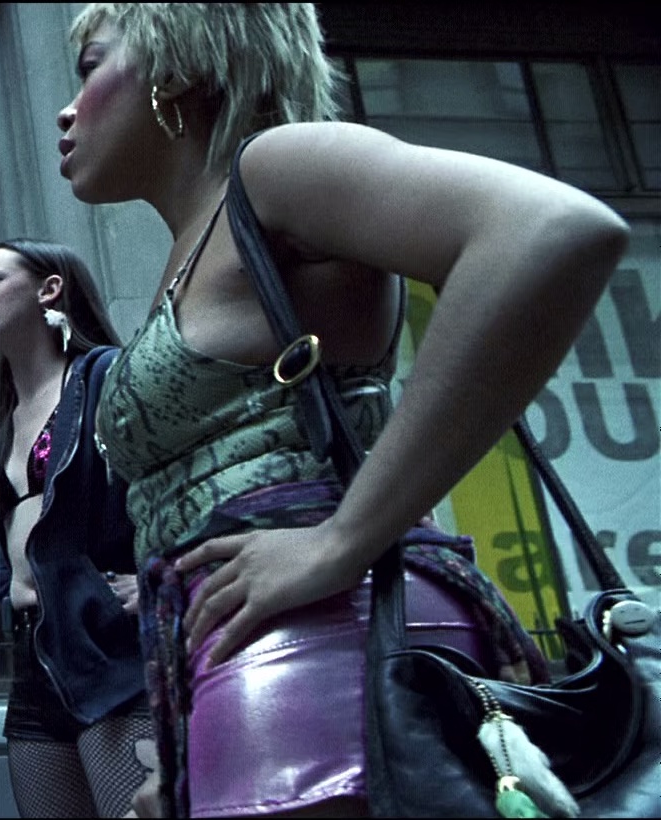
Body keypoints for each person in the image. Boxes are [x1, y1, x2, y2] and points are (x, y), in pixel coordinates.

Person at [54, 4, 629, 816]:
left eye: (90, 67)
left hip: (333, 636)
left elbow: (554, 230)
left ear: (174, 69)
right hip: (268, 651)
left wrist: (342, 540)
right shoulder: (199, 245)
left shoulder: (276, 167)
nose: (65, 109)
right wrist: (182, 753)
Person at [0, 238, 149, 818]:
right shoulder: (3, 419)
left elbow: (176, 478)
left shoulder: (104, 376)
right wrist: (5, 587)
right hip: (33, 657)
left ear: (50, 290)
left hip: (105, 647)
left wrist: (158, 577)